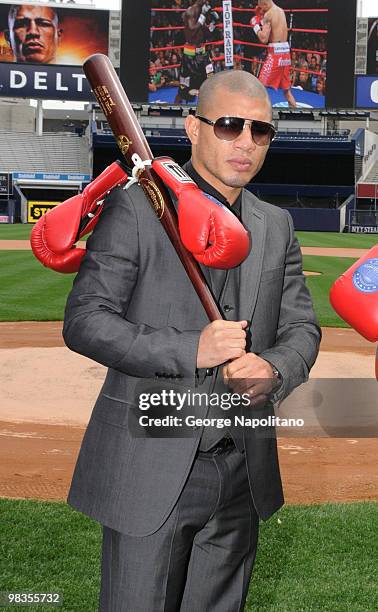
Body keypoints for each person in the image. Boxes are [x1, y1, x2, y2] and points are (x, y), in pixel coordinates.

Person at [63, 70, 321, 610]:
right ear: (193, 127)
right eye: (229, 125)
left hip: (240, 472)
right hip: (149, 469)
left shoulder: (277, 226)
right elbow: (85, 320)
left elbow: (301, 328)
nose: (246, 142)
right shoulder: (137, 209)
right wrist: (189, 350)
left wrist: (273, 369)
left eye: (261, 130)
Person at [250, 0, 297, 108]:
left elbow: (263, 38)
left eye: (261, 7)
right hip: (286, 54)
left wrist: (255, 25)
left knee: (260, 88)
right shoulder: (280, 11)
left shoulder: (268, 15)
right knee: (287, 92)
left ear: (265, 4)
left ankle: (262, 118)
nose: (260, 10)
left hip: (276, 55)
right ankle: (298, 116)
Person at [174, 0, 215, 103]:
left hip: (202, 54)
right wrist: (203, 17)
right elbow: (192, 30)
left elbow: (206, 34)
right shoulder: (191, 11)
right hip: (190, 56)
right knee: (184, 90)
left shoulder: (203, 11)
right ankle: (174, 111)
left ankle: (206, 113)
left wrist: (212, 24)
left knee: (208, 84)